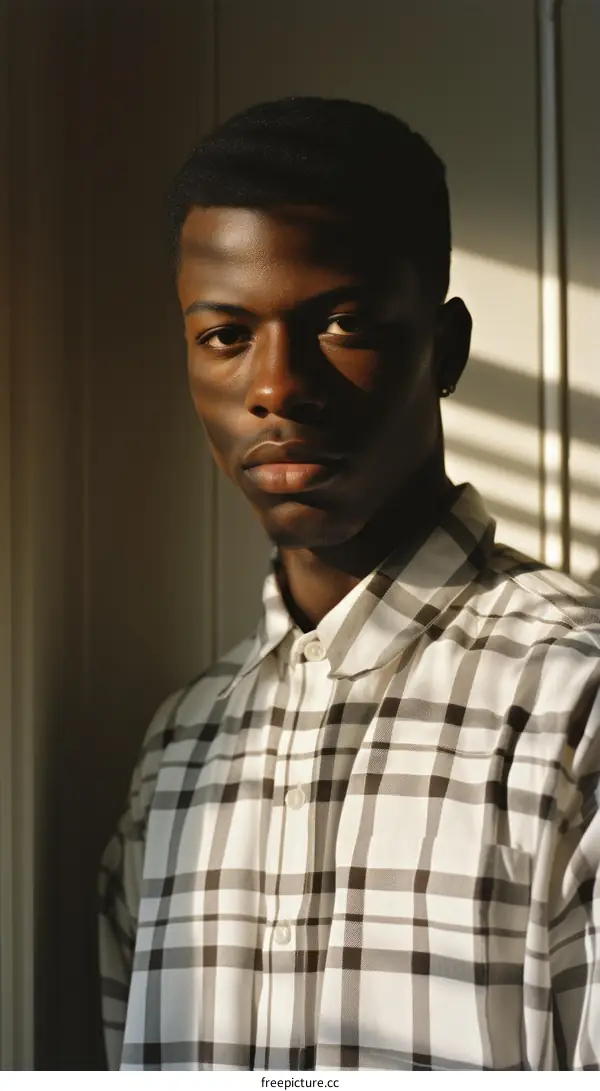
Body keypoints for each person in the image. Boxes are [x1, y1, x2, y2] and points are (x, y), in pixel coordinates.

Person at [98, 96, 600, 1072]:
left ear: (446, 348)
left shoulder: (574, 704)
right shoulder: (176, 754)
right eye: (224, 334)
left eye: (342, 321)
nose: (277, 385)